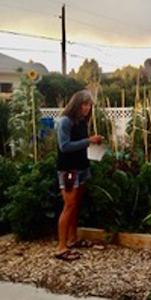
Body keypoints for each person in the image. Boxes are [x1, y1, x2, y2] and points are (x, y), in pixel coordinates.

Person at [55, 90, 102, 261]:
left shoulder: (82, 121)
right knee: (68, 206)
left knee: (76, 204)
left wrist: (92, 143)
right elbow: (64, 146)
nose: (87, 108)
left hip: (82, 167)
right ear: (76, 104)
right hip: (68, 169)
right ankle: (61, 247)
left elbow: (79, 144)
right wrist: (89, 141)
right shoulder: (65, 122)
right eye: (84, 104)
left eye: (89, 105)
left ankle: (72, 239)